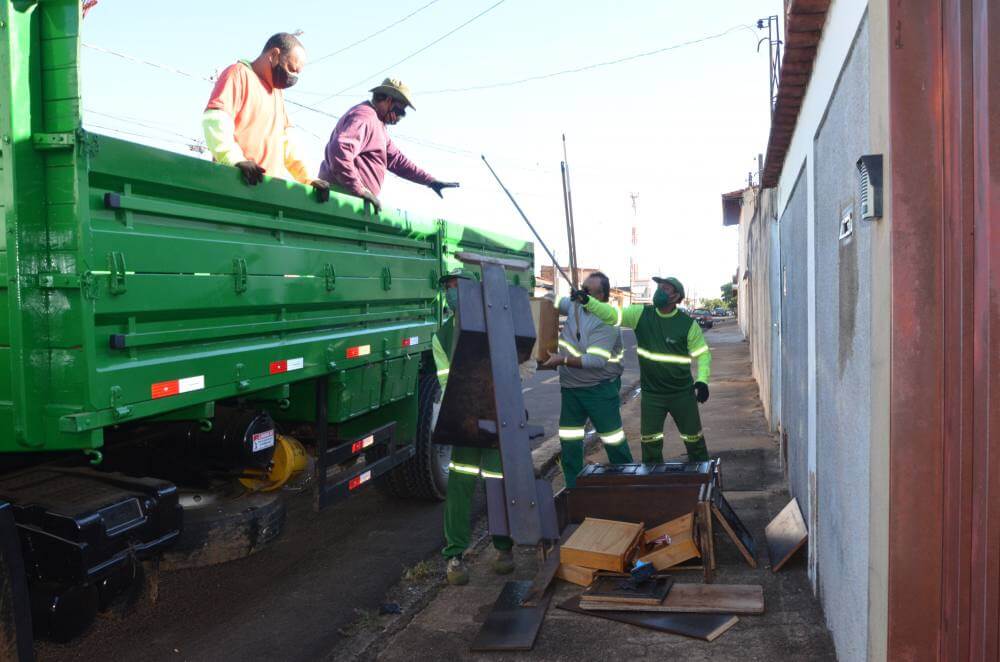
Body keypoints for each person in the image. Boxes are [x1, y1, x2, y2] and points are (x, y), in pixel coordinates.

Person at [577, 276, 712, 463]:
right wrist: (588, 301)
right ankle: (653, 477)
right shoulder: (641, 314)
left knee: (694, 439)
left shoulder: (687, 325)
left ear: (675, 297)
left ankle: (703, 475)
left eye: (665, 289)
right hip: (652, 395)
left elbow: (703, 354)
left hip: (682, 394)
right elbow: (612, 315)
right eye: (659, 287)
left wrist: (702, 380)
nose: (659, 291)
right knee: (650, 442)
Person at [434, 270, 513, 586]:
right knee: (460, 486)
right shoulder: (441, 336)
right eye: (448, 287)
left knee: (498, 484)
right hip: (464, 420)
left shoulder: (496, 323)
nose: (451, 292)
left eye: (457, 286)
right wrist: (461, 413)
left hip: (496, 418)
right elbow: (446, 382)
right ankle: (454, 555)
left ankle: (504, 548)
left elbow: (517, 367)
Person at [202, 32, 329, 200]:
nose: (293, 77)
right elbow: (216, 120)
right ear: (274, 55)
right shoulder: (238, 74)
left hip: (267, 192)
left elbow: (287, 143)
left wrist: (308, 178)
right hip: (237, 185)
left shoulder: (277, 94)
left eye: (297, 73)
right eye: (291, 69)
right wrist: (235, 160)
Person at [542, 272, 633, 487]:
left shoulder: (606, 320)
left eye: (586, 291)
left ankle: (628, 485)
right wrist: (548, 297)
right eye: (580, 289)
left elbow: (596, 361)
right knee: (570, 441)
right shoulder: (576, 306)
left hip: (598, 390)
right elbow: (555, 302)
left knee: (613, 440)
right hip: (571, 389)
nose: (580, 293)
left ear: (600, 296)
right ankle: (573, 488)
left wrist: (562, 360)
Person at [318, 78, 459, 212]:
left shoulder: (379, 126)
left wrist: (430, 181)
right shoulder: (366, 117)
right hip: (343, 198)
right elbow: (340, 150)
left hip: (350, 198)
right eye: (400, 111)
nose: (400, 117)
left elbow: (398, 161)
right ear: (388, 101)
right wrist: (359, 189)